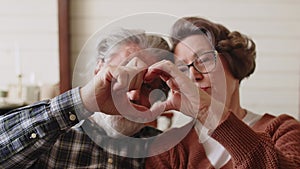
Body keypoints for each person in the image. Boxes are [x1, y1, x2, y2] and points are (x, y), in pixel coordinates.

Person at [0, 29, 173, 168]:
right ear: (99, 70)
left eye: (148, 86)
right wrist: (83, 100)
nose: (133, 94)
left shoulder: (163, 151)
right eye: (124, 77)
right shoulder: (51, 134)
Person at [145, 17, 300, 168]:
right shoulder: (169, 148)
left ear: (234, 63)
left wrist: (208, 111)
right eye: (182, 69)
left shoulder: (284, 131)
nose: (193, 75)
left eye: (204, 60)